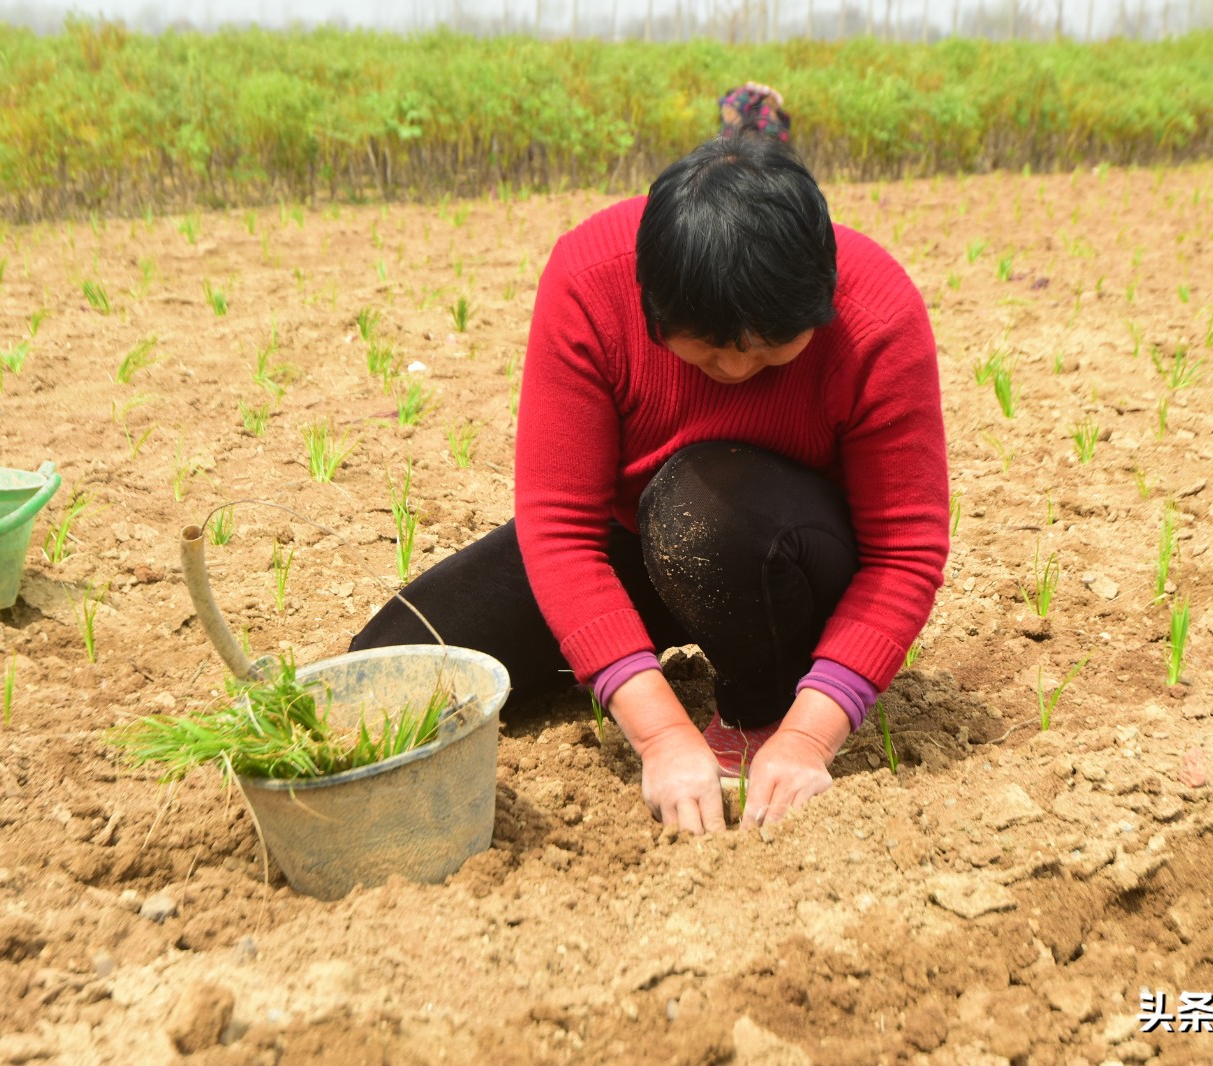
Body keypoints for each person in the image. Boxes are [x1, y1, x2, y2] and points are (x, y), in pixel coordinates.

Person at [351, 128, 948, 836]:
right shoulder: (590, 281)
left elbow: (905, 552)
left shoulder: (877, 314)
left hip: (786, 560)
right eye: (710, 350)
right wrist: (660, 733)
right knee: (395, 668)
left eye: (768, 351)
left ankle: (762, 707)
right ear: (652, 301)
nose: (736, 371)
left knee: (701, 511)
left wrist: (809, 738)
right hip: (642, 536)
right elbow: (560, 528)